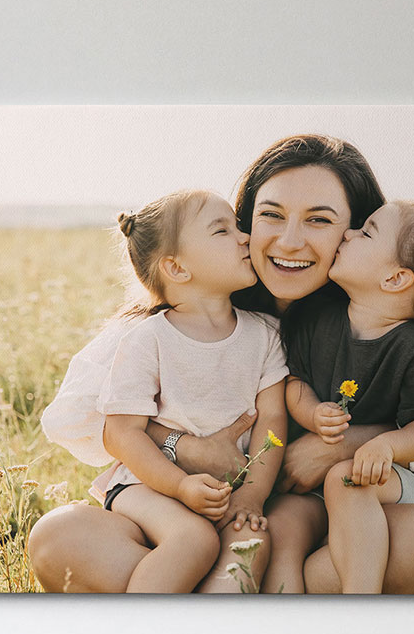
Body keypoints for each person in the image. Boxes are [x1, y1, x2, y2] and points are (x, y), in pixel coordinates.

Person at [29, 135, 414, 593]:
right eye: (271, 215)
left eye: (319, 220)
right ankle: (208, 593)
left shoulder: (393, 325)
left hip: (319, 531)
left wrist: (337, 445)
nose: (290, 241)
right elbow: (104, 421)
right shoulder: (177, 321)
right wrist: (184, 446)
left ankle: (267, 596)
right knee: (60, 537)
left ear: (355, 231)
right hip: (192, 520)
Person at [271, 200, 414, 593]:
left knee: (346, 478)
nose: (347, 234)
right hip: (317, 496)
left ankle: (360, 599)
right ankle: (284, 607)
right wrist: (313, 413)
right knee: (284, 522)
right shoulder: (319, 317)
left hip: (388, 486)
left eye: (365, 232)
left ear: (395, 279)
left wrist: (386, 447)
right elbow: (294, 381)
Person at [97, 190, 287, 593]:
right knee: (193, 540)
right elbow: (121, 433)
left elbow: (272, 421)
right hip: (147, 486)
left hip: (227, 494)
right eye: (223, 230)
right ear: (177, 268)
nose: (245, 237)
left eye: (238, 227)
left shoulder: (265, 334)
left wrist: (252, 496)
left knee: (250, 542)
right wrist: (179, 486)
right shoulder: (148, 339)